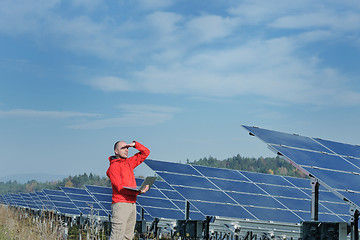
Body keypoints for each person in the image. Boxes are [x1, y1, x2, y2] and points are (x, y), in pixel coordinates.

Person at [106, 140, 150, 240]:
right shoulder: (114, 167)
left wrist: (134, 145)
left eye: (127, 148)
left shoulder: (129, 163)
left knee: (128, 237)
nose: (126, 150)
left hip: (132, 204)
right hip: (120, 205)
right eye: (123, 148)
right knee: (117, 236)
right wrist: (138, 191)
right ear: (116, 151)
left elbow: (145, 152)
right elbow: (120, 187)